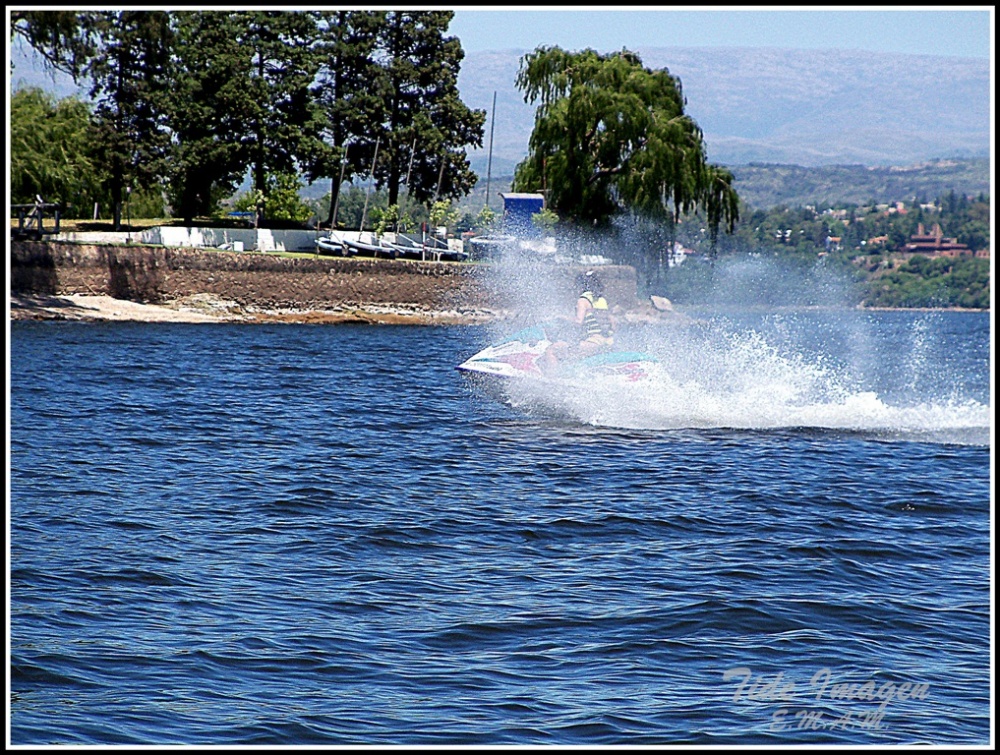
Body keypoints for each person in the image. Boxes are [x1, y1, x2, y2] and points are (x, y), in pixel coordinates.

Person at [541, 270, 616, 370]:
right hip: (608, 342)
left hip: (594, 343)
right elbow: (613, 324)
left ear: (581, 286)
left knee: (552, 350)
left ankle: (552, 380)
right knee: (570, 347)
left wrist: (562, 318)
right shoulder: (602, 300)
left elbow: (578, 322)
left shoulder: (583, 300)